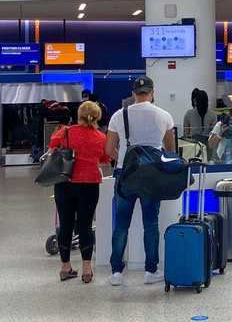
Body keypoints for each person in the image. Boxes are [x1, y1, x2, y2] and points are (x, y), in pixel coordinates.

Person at [105, 76, 176, 286]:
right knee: (151, 224)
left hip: (125, 175)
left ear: (133, 93)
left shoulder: (120, 115)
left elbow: (108, 149)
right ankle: (150, 271)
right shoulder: (164, 116)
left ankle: (117, 273)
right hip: (152, 177)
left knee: (121, 225)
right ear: (152, 92)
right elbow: (170, 151)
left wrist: (123, 158)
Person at [49, 101, 109, 283]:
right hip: (89, 185)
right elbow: (104, 160)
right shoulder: (101, 137)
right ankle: (87, 269)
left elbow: (51, 152)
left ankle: (65, 267)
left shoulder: (64, 132)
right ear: (97, 117)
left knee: (66, 224)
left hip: (64, 183)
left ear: (78, 115)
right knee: (85, 225)